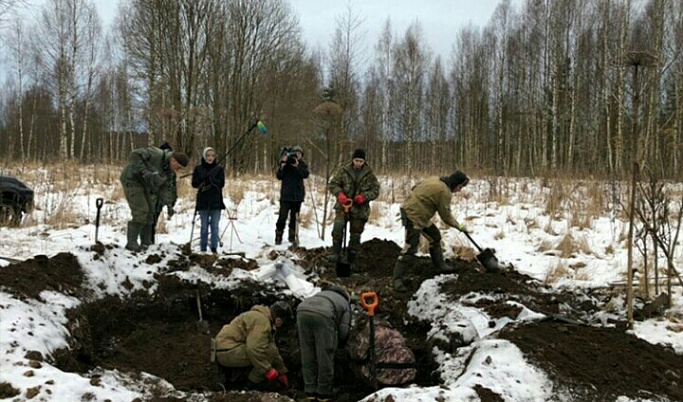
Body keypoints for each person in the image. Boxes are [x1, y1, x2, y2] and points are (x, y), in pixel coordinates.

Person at [393, 171, 470, 292]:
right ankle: (397, 280)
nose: (460, 190)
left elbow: (415, 187)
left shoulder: (434, 179)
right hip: (412, 215)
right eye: (460, 187)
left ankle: (440, 266)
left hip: (420, 213)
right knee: (410, 247)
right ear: (455, 184)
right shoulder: (445, 192)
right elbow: (446, 217)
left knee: (435, 236)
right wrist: (459, 226)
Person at [119, 146, 189, 251]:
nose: (178, 170)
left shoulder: (169, 172)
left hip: (145, 185)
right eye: (178, 167)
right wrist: (144, 171)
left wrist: (169, 205)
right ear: (173, 160)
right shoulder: (156, 154)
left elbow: (165, 189)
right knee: (141, 210)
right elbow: (134, 154)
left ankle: (146, 242)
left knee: (151, 212)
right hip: (132, 180)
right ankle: (131, 243)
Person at [214, 301, 292, 390]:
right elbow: (254, 349)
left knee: (269, 349)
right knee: (267, 352)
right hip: (227, 352)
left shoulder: (259, 316)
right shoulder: (262, 322)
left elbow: (272, 347)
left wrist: (282, 371)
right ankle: (249, 387)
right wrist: (267, 370)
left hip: (225, 349)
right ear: (278, 319)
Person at [296, 285, 352, 402]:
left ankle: (309, 390)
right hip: (324, 314)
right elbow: (344, 329)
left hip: (302, 310)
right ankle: (324, 393)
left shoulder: (320, 295)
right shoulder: (345, 303)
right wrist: (339, 344)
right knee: (324, 355)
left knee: (307, 353)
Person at [327, 149, 380, 267]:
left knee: (356, 234)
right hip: (343, 205)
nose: (358, 163)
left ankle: (351, 258)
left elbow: (376, 191)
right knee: (338, 228)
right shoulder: (343, 171)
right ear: (353, 160)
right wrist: (339, 193)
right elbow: (332, 184)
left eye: (361, 161)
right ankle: (336, 253)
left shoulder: (369, 174)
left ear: (364, 161)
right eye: (356, 160)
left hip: (360, 209)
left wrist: (364, 197)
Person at [191, 147, 226, 253]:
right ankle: (203, 248)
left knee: (215, 227)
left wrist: (212, 179)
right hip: (203, 202)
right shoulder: (198, 169)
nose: (210, 158)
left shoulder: (219, 169)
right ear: (204, 156)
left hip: (216, 202)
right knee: (204, 227)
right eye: (208, 155)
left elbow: (221, 183)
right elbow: (194, 183)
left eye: (212, 155)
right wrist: (203, 179)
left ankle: (214, 248)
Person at [275, 145, 309, 246]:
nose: (297, 155)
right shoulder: (286, 165)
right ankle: (278, 236)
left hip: (297, 196)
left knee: (294, 218)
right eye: (295, 153)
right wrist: (283, 163)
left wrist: (297, 166)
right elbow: (279, 176)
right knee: (282, 216)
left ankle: (292, 236)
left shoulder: (302, 164)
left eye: (299, 154)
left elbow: (305, 174)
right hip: (286, 196)